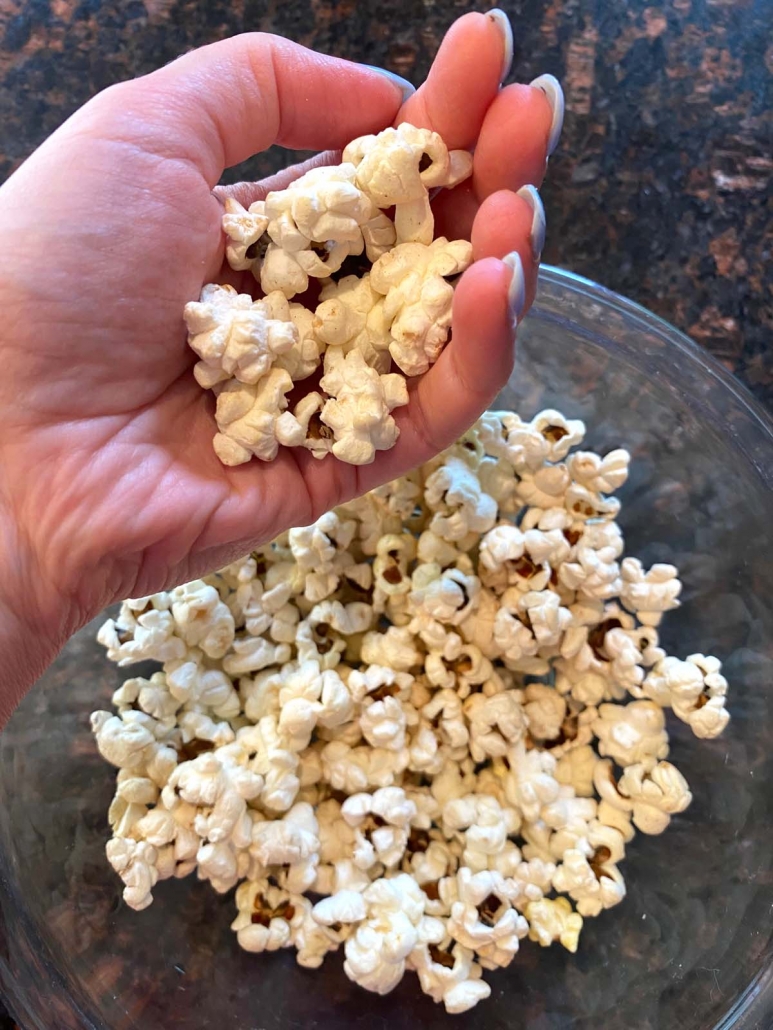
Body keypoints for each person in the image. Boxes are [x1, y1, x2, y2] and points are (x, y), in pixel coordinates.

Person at [0, 10, 561, 720]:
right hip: (300, 352)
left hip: (333, 338)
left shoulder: (357, 285)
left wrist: (25, 536)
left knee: (469, 286)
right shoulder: (265, 328)